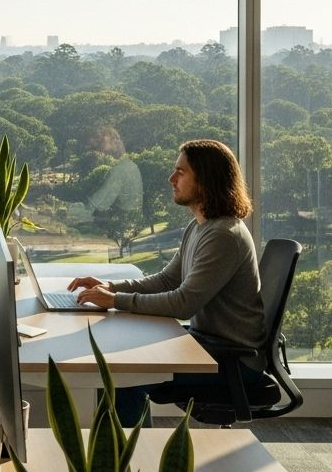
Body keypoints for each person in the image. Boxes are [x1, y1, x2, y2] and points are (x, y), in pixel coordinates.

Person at [67, 139, 265, 427]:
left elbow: (184, 304)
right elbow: (167, 280)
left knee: (122, 374)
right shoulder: (200, 226)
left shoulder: (223, 235)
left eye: (181, 172)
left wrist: (115, 302)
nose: (172, 179)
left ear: (206, 179)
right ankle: (128, 456)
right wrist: (112, 288)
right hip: (208, 345)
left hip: (232, 362)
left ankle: (125, 461)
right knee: (122, 366)